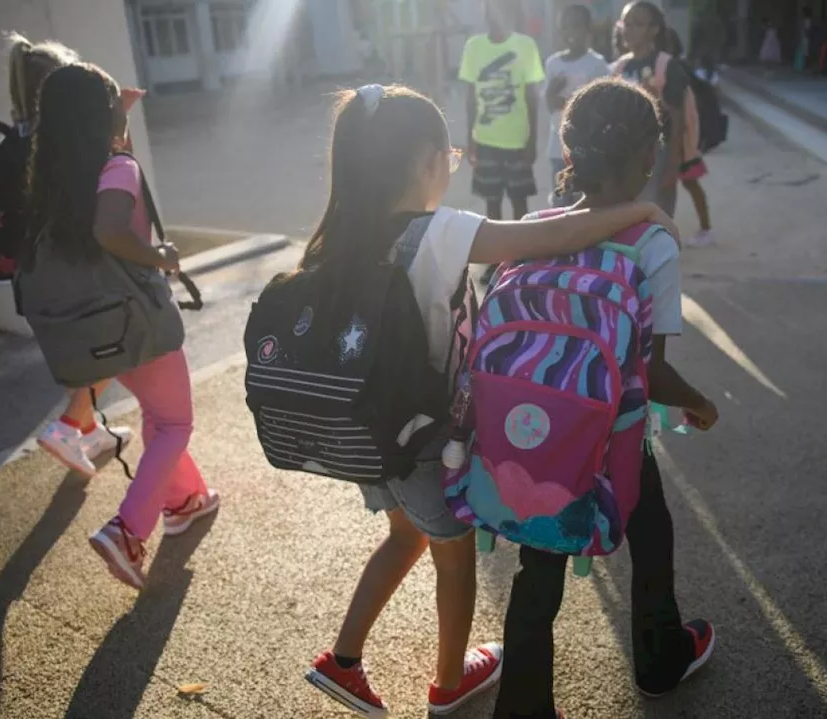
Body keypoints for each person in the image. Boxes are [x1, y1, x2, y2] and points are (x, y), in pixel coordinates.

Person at [298, 83, 674, 719]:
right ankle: (450, 683)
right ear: (423, 163)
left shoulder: (339, 234)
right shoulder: (438, 233)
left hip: (364, 438)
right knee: (454, 559)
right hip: (419, 438)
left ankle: (344, 659)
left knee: (401, 540)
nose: (452, 164)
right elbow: (545, 241)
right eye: (448, 153)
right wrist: (642, 217)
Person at [492, 77, 718, 719]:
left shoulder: (543, 225)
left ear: (570, 150)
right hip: (614, 430)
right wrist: (702, 404)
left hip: (541, 428)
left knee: (538, 567)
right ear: (650, 156)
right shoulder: (653, 241)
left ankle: (523, 705)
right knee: (651, 533)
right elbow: (652, 371)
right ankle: (659, 659)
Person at [26, 63, 219, 590]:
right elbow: (111, 229)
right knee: (176, 423)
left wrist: (118, 114)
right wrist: (161, 258)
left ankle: (183, 501)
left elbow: (96, 214)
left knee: (161, 415)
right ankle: (128, 530)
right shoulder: (118, 169)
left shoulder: (54, 176)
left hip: (97, 328)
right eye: (113, 102)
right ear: (100, 115)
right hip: (138, 320)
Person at [6, 32, 137, 478]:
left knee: (89, 347)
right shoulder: (66, 141)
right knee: (121, 339)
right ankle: (68, 425)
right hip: (82, 263)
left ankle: (88, 427)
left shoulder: (22, 137)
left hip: (41, 273)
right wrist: (122, 122)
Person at [614, 2, 715, 247]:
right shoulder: (621, 66)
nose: (629, 29)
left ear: (654, 30)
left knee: (656, 214)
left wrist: (672, 163)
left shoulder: (666, 65)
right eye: (626, 23)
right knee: (630, 211)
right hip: (630, 152)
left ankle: (659, 260)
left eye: (638, 24)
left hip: (658, 150)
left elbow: (676, 117)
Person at [460, 0, 545, 223]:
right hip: (486, 141)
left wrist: (532, 141)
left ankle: (521, 255)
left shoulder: (526, 46)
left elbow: (532, 97)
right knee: (492, 201)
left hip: (517, 141)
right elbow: (470, 97)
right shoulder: (473, 47)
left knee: (520, 201)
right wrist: (470, 138)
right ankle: (501, 255)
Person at [544, 4, 611, 208]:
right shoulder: (553, 63)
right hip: (558, 147)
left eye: (576, 27)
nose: (570, 33)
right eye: (565, 27)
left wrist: (564, 101)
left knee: (584, 201)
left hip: (587, 147)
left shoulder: (597, 64)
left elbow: (600, 108)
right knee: (560, 201)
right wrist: (551, 93)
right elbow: (549, 104)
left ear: (588, 30)